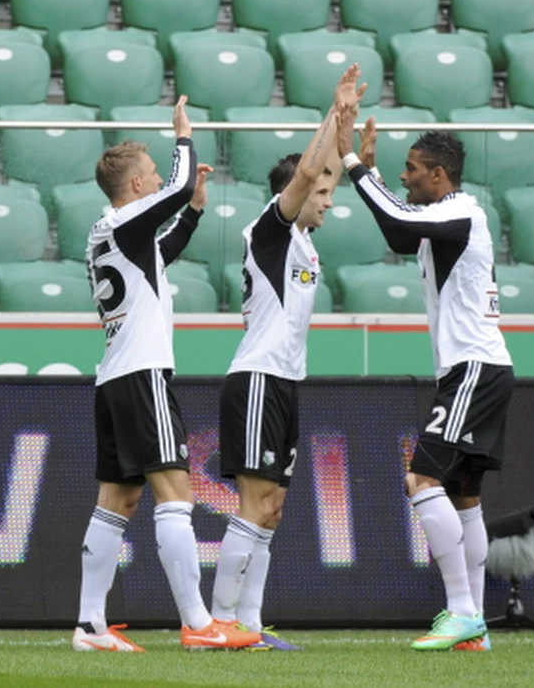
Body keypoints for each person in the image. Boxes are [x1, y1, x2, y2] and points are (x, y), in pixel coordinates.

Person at [73, 95, 260, 653]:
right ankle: (198, 623)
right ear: (134, 185)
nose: (158, 180)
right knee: (175, 493)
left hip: (114, 376)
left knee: (117, 500)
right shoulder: (127, 220)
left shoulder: (109, 230)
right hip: (141, 373)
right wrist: (183, 136)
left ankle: (89, 626)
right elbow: (174, 189)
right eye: (151, 174)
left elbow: (161, 251)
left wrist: (195, 210)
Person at [336, 111, 515, 651]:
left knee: (421, 481)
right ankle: (475, 628)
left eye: (412, 169)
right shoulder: (446, 216)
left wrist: (353, 162)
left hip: (472, 369)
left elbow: (396, 218)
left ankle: (461, 611)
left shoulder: (460, 211)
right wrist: (374, 176)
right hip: (480, 368)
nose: (405, 175)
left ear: (439, 175)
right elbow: (398, 231)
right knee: (464, 498)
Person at [209, 66, 366, 651]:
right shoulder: (269, 232)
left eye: (329, 193)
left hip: (284, 382)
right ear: (292, 197)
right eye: (320, 196)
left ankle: (249, 624)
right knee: (255, 504)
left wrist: (346, 133)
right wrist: (331, 111)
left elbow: (323, 170)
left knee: (272, 508)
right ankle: (219, 621)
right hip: (256, 379)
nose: (328, 201)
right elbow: (306, 173)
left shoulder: (303, 242)